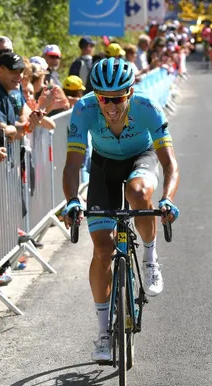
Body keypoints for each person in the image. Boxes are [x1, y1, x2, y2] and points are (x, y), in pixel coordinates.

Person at [61, 58, 180, 362]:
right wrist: (72, 200)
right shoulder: (85, 109)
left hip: (142, 157)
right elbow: (74, 163)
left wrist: (166, 199)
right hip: (104, 166)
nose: (110, 106)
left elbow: (169, 163)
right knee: (102, 250)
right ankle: (103, 334)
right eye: (103, 98)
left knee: (138, 192)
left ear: (130, 92)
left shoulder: (147, 107)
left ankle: (151, 259)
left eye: (117, 99)